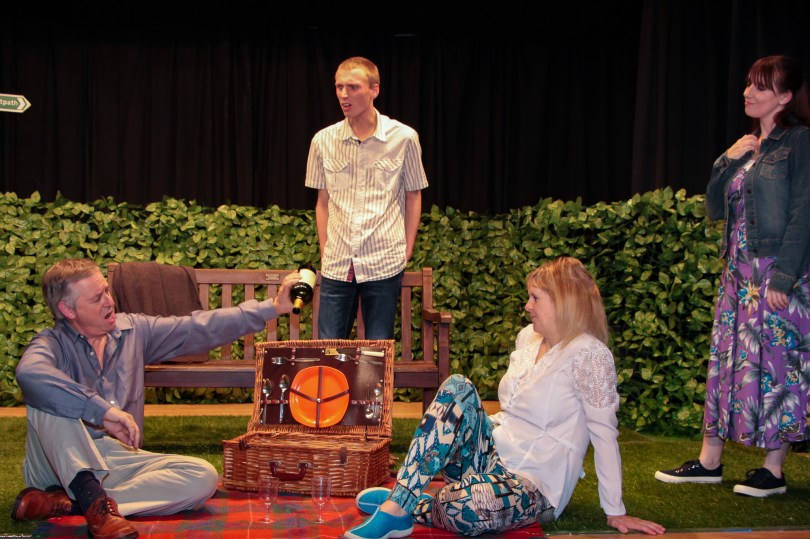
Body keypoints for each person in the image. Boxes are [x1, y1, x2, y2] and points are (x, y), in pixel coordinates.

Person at [344, 257, 666, 539]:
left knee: (471, 504)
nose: (527, 306)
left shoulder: (589, 355)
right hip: (490, 456)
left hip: (534, 484)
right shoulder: (528, 338)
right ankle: (398, 504)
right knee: (457, 386)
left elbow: (605, 435)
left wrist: (615, 510)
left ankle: (418, 505)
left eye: (535, 298)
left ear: (564, 302)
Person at [12, 258, 299, 539]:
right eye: (97, 298)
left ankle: (74, 503)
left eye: (107, 291)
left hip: (117, 460)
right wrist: (101, 412)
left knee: (202, 477)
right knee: (48, 395)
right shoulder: (50, 344)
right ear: (68, 309)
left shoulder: (133, 331)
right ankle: (93, 504)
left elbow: (198, 327)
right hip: (56, 464)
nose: (109, 302)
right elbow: (29, 373)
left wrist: (273, 307)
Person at [655, 55, 810, 496]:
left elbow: (804, 212)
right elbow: (714, 208)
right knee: (727, 363)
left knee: (777, 366)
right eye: (748, 84)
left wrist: (783, 278)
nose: (748, 92)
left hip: (774, 274)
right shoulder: (747, 146)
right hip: (738, 276)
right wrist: (726, 160)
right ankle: (710, 462)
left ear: (785, 96)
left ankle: (773, 471)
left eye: (761, 86)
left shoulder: (799, 142)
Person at [305, 56, 429, 340]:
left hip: (383, 260)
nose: (344, 94)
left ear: (374, 90)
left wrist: (406, 249)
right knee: (328, 349)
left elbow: (413, 195)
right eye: (339, 87)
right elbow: (322, 202)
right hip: (338, 263)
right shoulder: (323, 140)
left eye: (353, 87)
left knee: (377, 352)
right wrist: (326, 248)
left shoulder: (404, 138)